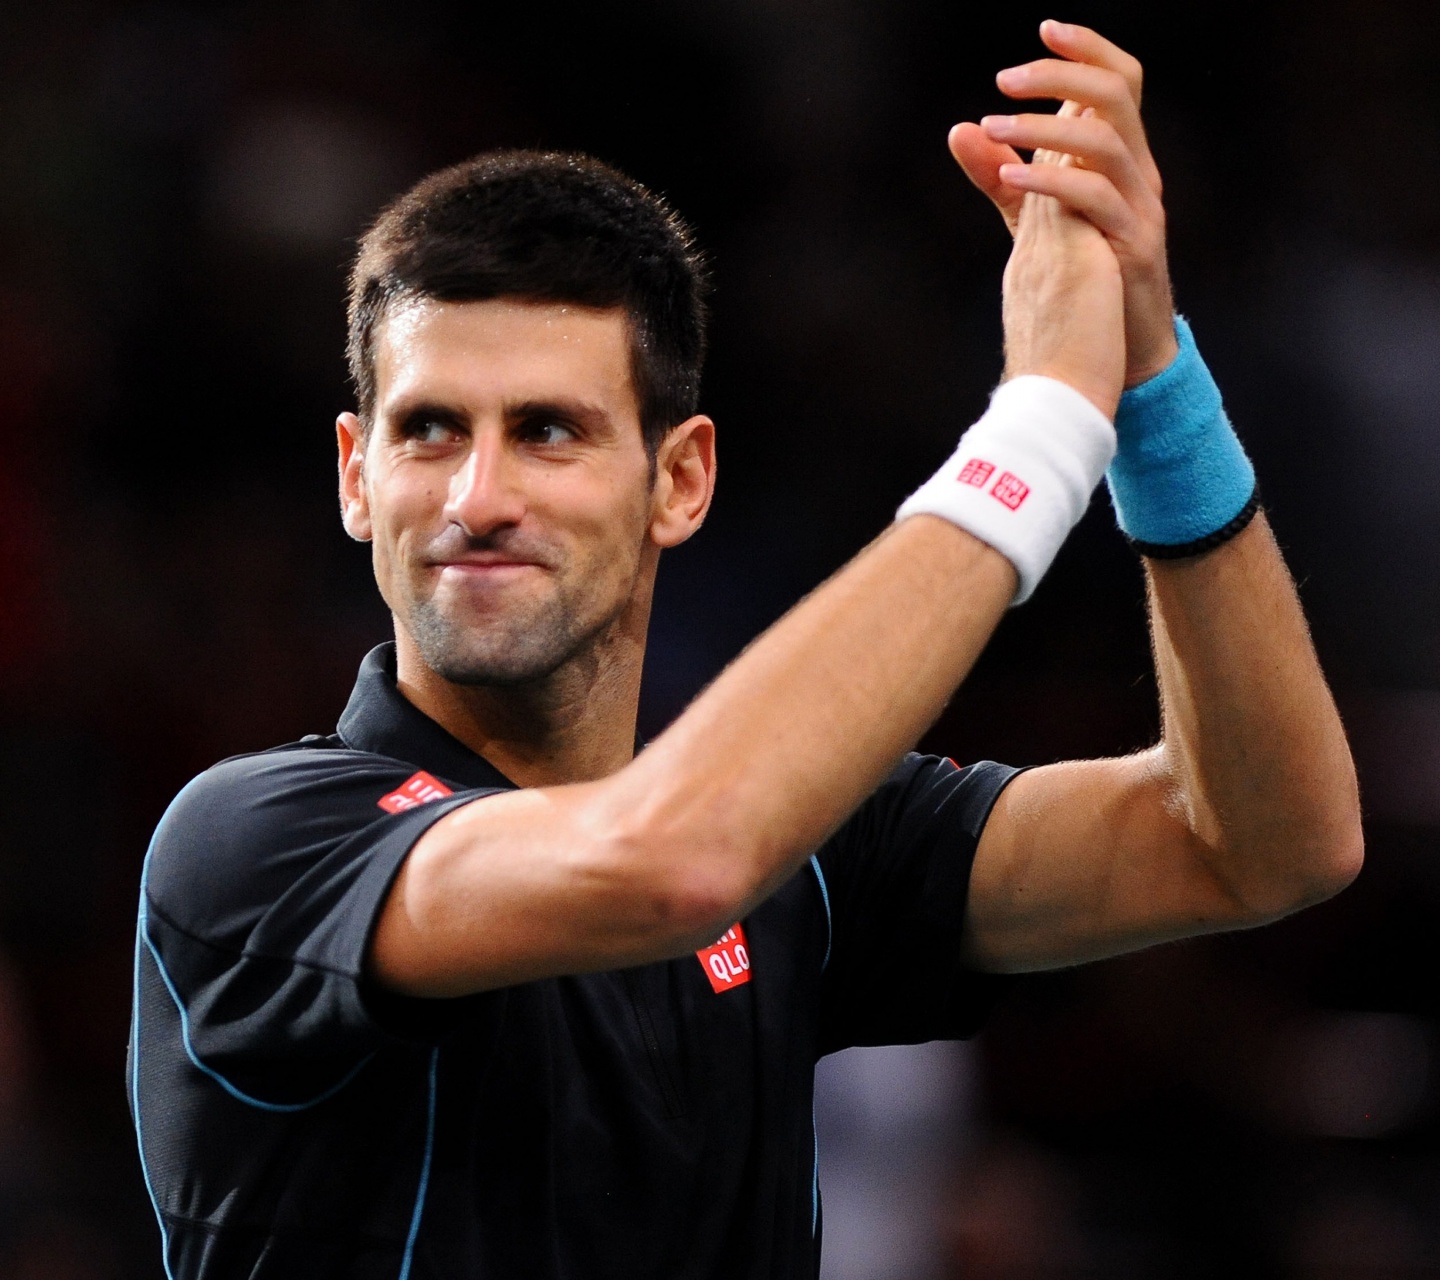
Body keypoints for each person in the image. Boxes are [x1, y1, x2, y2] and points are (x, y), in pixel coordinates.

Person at [128, 21, 1362, 1279]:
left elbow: (1263, 840)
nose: (477, 495)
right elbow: (679, 857)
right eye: (432, 430)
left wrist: (1152, 382)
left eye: (549, 431)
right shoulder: (251, 842)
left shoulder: (809, 855)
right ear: (355, 474)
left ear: (681, 479)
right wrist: (1044, 416)